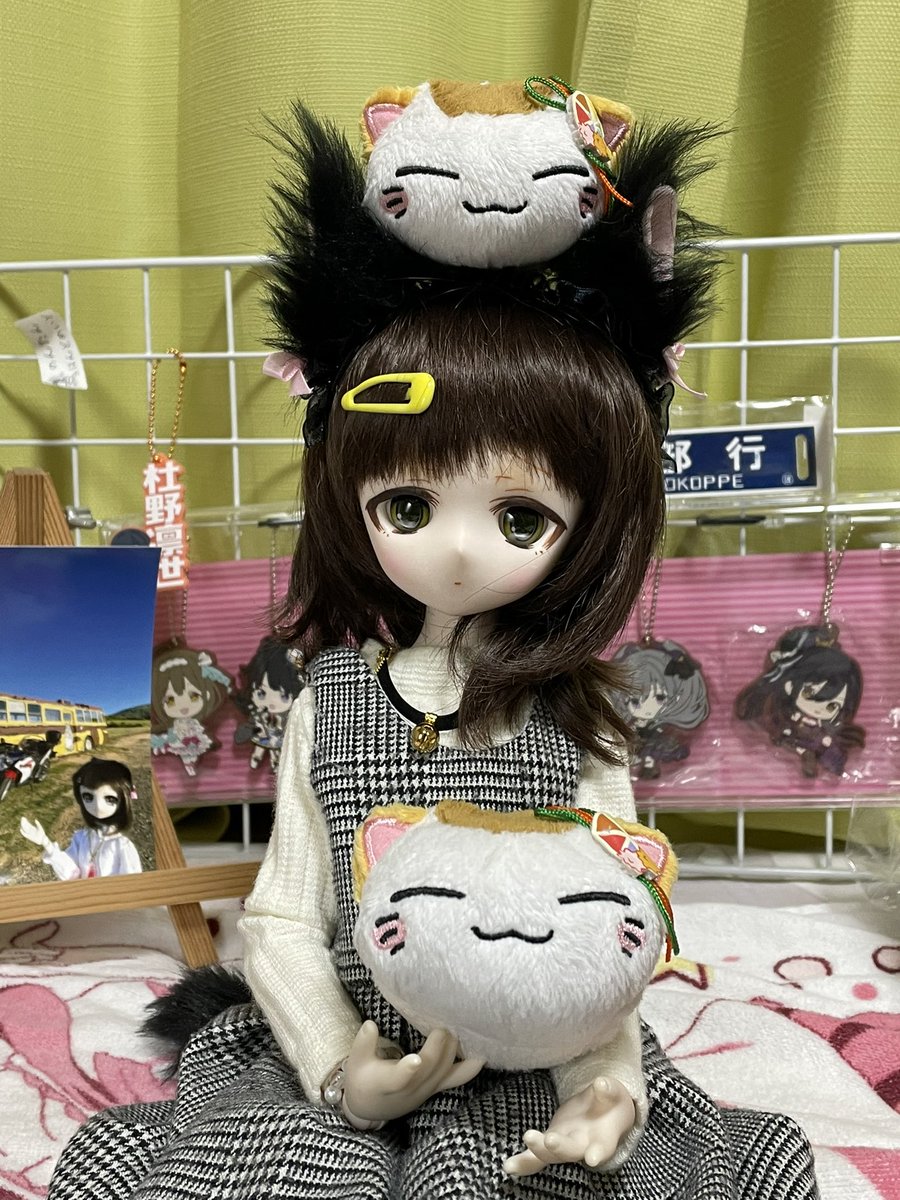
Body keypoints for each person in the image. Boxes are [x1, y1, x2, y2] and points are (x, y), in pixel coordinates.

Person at [47, 86, 818, 1200]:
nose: (457, 551)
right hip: (354, 1051)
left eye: (521, 517)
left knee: (541, 1177)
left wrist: (608, 1083)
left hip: (537, 1058)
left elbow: (621, 924)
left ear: (592, 521)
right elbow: (283, 917)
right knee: (285, 1168)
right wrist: (336, 1063)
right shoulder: (332, 699)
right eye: (407, 507)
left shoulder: (576, 712)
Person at [19, 757, 142, 879]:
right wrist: (46, 843)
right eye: (88, 797)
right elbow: (72, 873)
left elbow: (132, 885)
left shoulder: (122, 846)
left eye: (110, 799)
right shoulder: (82, 838)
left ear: (123, 800)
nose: (98, 805)